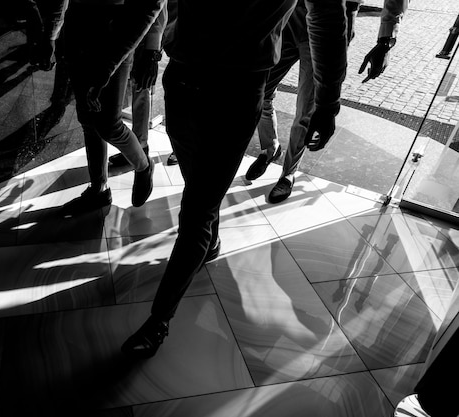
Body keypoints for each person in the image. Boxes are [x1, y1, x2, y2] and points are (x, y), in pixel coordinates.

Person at [121, 0, 348, 359]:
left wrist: (327, 101)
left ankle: (158, 321)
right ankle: (208, 238)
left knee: (195, 212)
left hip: (236, 88)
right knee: (198, 192)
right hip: (183, 77)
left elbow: (327, 18)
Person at [245, 0, 409, 204]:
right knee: (259, 91)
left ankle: (288, 173)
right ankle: (270, 148)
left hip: (336, 14)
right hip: (291, 10)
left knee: (307, 108)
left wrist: (386, 39)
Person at [58, 0, 166, 216]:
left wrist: (151, 51)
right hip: (77, 32)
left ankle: (144, 165)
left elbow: (152, 5)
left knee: (109, 124)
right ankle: (99, 189)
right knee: (87, 119)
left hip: (115, 39)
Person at [108, 3, 168, 168]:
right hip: (128, 30)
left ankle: (140, 147)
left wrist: (153, 50)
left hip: (144, 34)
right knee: (138, 88)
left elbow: (159, 8)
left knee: (141, 86)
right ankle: (138, 146)